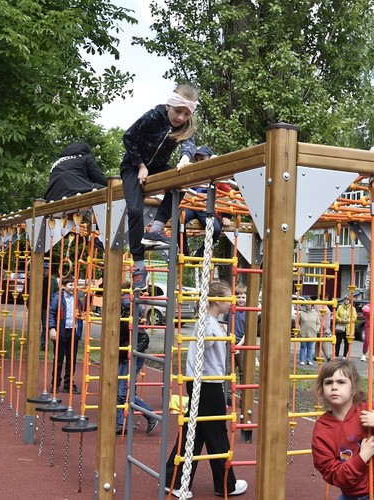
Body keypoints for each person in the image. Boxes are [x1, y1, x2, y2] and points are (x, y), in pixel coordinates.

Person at [164, 280, 248, 498]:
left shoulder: (211, 322)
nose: (232, 302)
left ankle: (173, 479)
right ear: (218, 299)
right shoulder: (207, 324)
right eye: (229, 297)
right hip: (207, 385)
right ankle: (225, 485)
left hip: (204, 383)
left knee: (198, 431)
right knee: (217, 433)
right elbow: (202, 349)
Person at [120, 84, 198, 291]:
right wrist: (140, 165)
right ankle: (138, 266)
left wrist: (184, 159)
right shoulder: (154, 116)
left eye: (186, 113)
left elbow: (189, 145)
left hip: (158, 166)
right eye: (178, 111)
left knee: (180, 184)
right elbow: (129, 137)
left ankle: (155, 228)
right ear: (169, 105)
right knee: (135, 210)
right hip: (133, 165)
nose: (180, 117)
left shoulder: (185, 125)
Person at [312, 358, 374, 499]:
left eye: (341, 382)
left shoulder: (372, 411)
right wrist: (362, 457)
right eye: (328, 382)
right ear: (322, 389)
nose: (334, 387)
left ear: (353, 387)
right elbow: (333, 475)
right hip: (351, 494)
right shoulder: (323, 429)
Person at [116, 283, 158, 435]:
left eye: (125, 295)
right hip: (122, 355)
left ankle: (151, 414)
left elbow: (144, 338)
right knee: (118, 391)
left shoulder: (130, 311)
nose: (124, 298)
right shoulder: (121, 311)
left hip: (131, 356)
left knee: (122, 392)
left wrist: (133, 352)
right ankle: (121, 425)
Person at [180, 146, 231, 257]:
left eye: (202, 159)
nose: (198, 163)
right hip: (191, 206)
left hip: (206, 208)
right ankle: (184, 251)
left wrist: (227, 215)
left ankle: (201, 252)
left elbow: (229, 195)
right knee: (179, 220)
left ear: (210, 160)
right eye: (196, 160)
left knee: (216, 229)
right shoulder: (191, 175)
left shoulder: (216, 176)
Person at [48, 277, 83, 394]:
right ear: (63, 286)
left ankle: (68, 383)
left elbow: (81, 312)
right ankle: (55, 383)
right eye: (70, 285)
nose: (73, 287)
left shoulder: (77, 298)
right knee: (58, 359)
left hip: (73, 330)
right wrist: (52, 328)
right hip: (61, 330)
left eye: (74, 285)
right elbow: (52, 313)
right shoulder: (58, 298)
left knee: (71, 359)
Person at [225, 283, 247, 405]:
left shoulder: (248, 312)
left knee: (243, 372)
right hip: (230, 343)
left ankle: (244, 397)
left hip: (243, 345)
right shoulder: (231, 310)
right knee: (228, 370)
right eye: (239, 297)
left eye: (243, 297)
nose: (241, 300)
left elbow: (248, 331)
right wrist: (228, 338)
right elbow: (224, 323)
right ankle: (227, 396)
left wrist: (239, 345)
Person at [40, 262, 59, 350]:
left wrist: (53, 303)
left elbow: (56, 292)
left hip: (46, 306)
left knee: (45, 325)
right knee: (35, 325)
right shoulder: (38, 278)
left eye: (47, 268)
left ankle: (44, 344)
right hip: (37, 306)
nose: (45, 270)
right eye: (44, 268)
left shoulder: (53, 280)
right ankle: (35, 342)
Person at [360, 292, 374, 362]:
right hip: (368, 325)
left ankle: (373, 355)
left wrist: (372, 313)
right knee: (367, 340)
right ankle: (364, 354)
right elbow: (365, 311)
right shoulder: (368, 305)